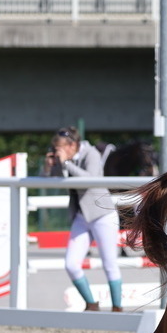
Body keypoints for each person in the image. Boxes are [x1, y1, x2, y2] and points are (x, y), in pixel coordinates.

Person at [43, 126, 123, 312]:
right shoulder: (67, 159)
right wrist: (49, 167)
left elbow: (91, 179)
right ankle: (91, 303)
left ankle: (117, 308)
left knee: (109, 263)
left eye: (61, 148)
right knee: (71, 264)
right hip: (81, 216)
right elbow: (49, 182)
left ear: (73, 145)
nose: (59, 152)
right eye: (56, 149)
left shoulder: (91, 153)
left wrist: (66, 164)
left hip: (102, 214)